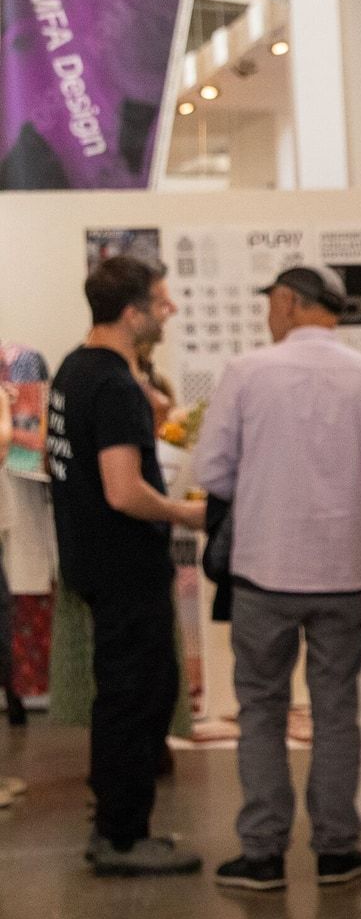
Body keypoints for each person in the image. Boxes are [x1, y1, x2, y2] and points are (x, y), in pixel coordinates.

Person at [193, 264, 361, 892]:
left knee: (261, 709)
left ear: (288, 302)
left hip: (264, 570)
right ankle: (338, 850)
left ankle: (262, 853)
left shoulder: (247, 373)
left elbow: (213, 470)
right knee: (337, 708)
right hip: (344, 571)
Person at [43, 257, 203, 875]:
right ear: (132, 312)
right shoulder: (111, 385)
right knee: (136, 698)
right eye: (161, 303)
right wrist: (185, 516)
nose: (170, 312)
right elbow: (123, 490)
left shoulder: (74, 370)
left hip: (91, 561)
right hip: (123, 567)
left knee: (126, 695)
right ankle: (121, 837)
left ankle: (122, 827)